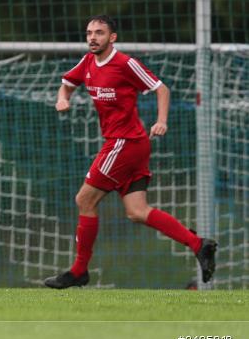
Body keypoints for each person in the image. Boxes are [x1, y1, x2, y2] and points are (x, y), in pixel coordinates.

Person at [44, 15, 217, 289]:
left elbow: (161, 89)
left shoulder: (125, 64)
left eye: (99, 33)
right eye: (89, 32)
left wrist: (161, 121)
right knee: (137, 211)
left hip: (124, 143)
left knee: (84, 199)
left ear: (112, 37)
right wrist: (62, 99)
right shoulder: (88, 62)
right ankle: (199, 244)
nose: (92, 37)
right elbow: (66, 83)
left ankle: (79, 271)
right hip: (129, 145)